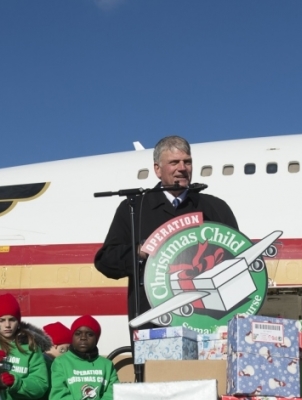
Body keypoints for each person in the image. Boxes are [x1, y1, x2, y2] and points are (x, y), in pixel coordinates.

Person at [94, 136, 239, 321]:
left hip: (207, 322)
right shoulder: (134, 208)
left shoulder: (216, 208)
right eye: (174, 162)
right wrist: (139, 251)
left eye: (187, 162)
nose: (182, 168)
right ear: (157, 169)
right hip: (153, 323)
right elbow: (105, 261)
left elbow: (236, 258)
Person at [0, 294, 50, 400]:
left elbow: (41, 385)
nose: (7, 325)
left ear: (18, 321)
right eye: (2, 320)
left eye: (12, 319)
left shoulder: (31, 348)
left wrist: (16, 383)